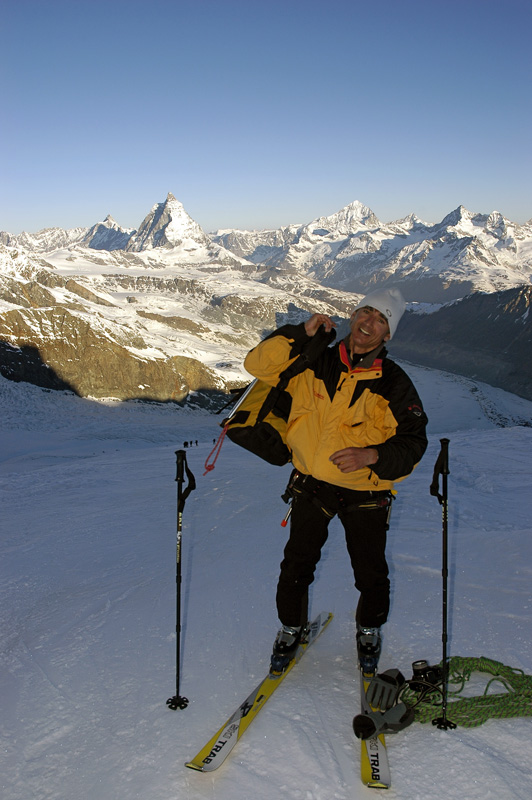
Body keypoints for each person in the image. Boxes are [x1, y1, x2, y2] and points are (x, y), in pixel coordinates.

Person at [243, 287, 428, 674]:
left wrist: (373, 455)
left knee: (370, 571)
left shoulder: (394, 383)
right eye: (366, 312)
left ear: (388, 334)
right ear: (353, 315)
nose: (369, 323)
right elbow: (258, 366)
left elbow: (413, 442)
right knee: (296, 566)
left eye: (381, 319)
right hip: (312, 485)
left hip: (365, 491)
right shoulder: (312, 360)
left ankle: (369, 630)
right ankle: (291, 628)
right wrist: (299, 334)